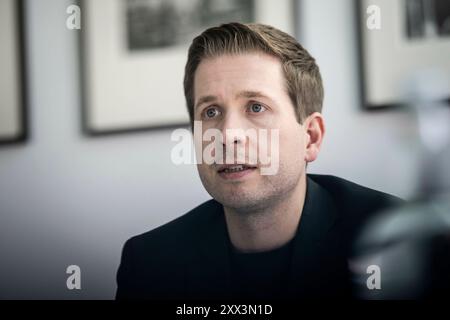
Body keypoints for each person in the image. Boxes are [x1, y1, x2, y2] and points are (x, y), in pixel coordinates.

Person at [116, 22, 401, 300]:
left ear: (310, 138)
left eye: (256, 107)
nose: (228, 135)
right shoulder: (149, 265)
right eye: (211, 112)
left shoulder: (399, 237)